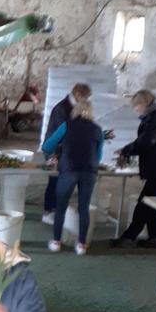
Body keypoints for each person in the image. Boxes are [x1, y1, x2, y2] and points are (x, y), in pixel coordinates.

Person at [42, 99, 103, 255]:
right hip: (89, 172)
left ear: (75, 111)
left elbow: (47, 146)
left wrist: (57, 152)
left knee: (61, 206)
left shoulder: (66, 126)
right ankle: (81, 245)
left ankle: (56, 242)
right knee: (84, 207)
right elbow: (99, 155)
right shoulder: (98, 129)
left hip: (69, 169)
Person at [110, 89, 156, 249]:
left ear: (143, 103)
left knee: (145, 202)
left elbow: (146, 141)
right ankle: (155, 237)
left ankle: (129, 236)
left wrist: (126, 150)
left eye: (136, 106)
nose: (135, 110)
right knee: (152, 201)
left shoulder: (155, 117)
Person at [41, 82, 92, 225]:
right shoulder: (61, 109)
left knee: (63, 181)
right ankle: (49, 210)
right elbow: (63, 133)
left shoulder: (73, 107)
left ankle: (57, 210)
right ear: (77, 94)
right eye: (85, 97)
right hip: (56, 149)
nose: (86, 100)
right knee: (54, 179)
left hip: (66, 150)